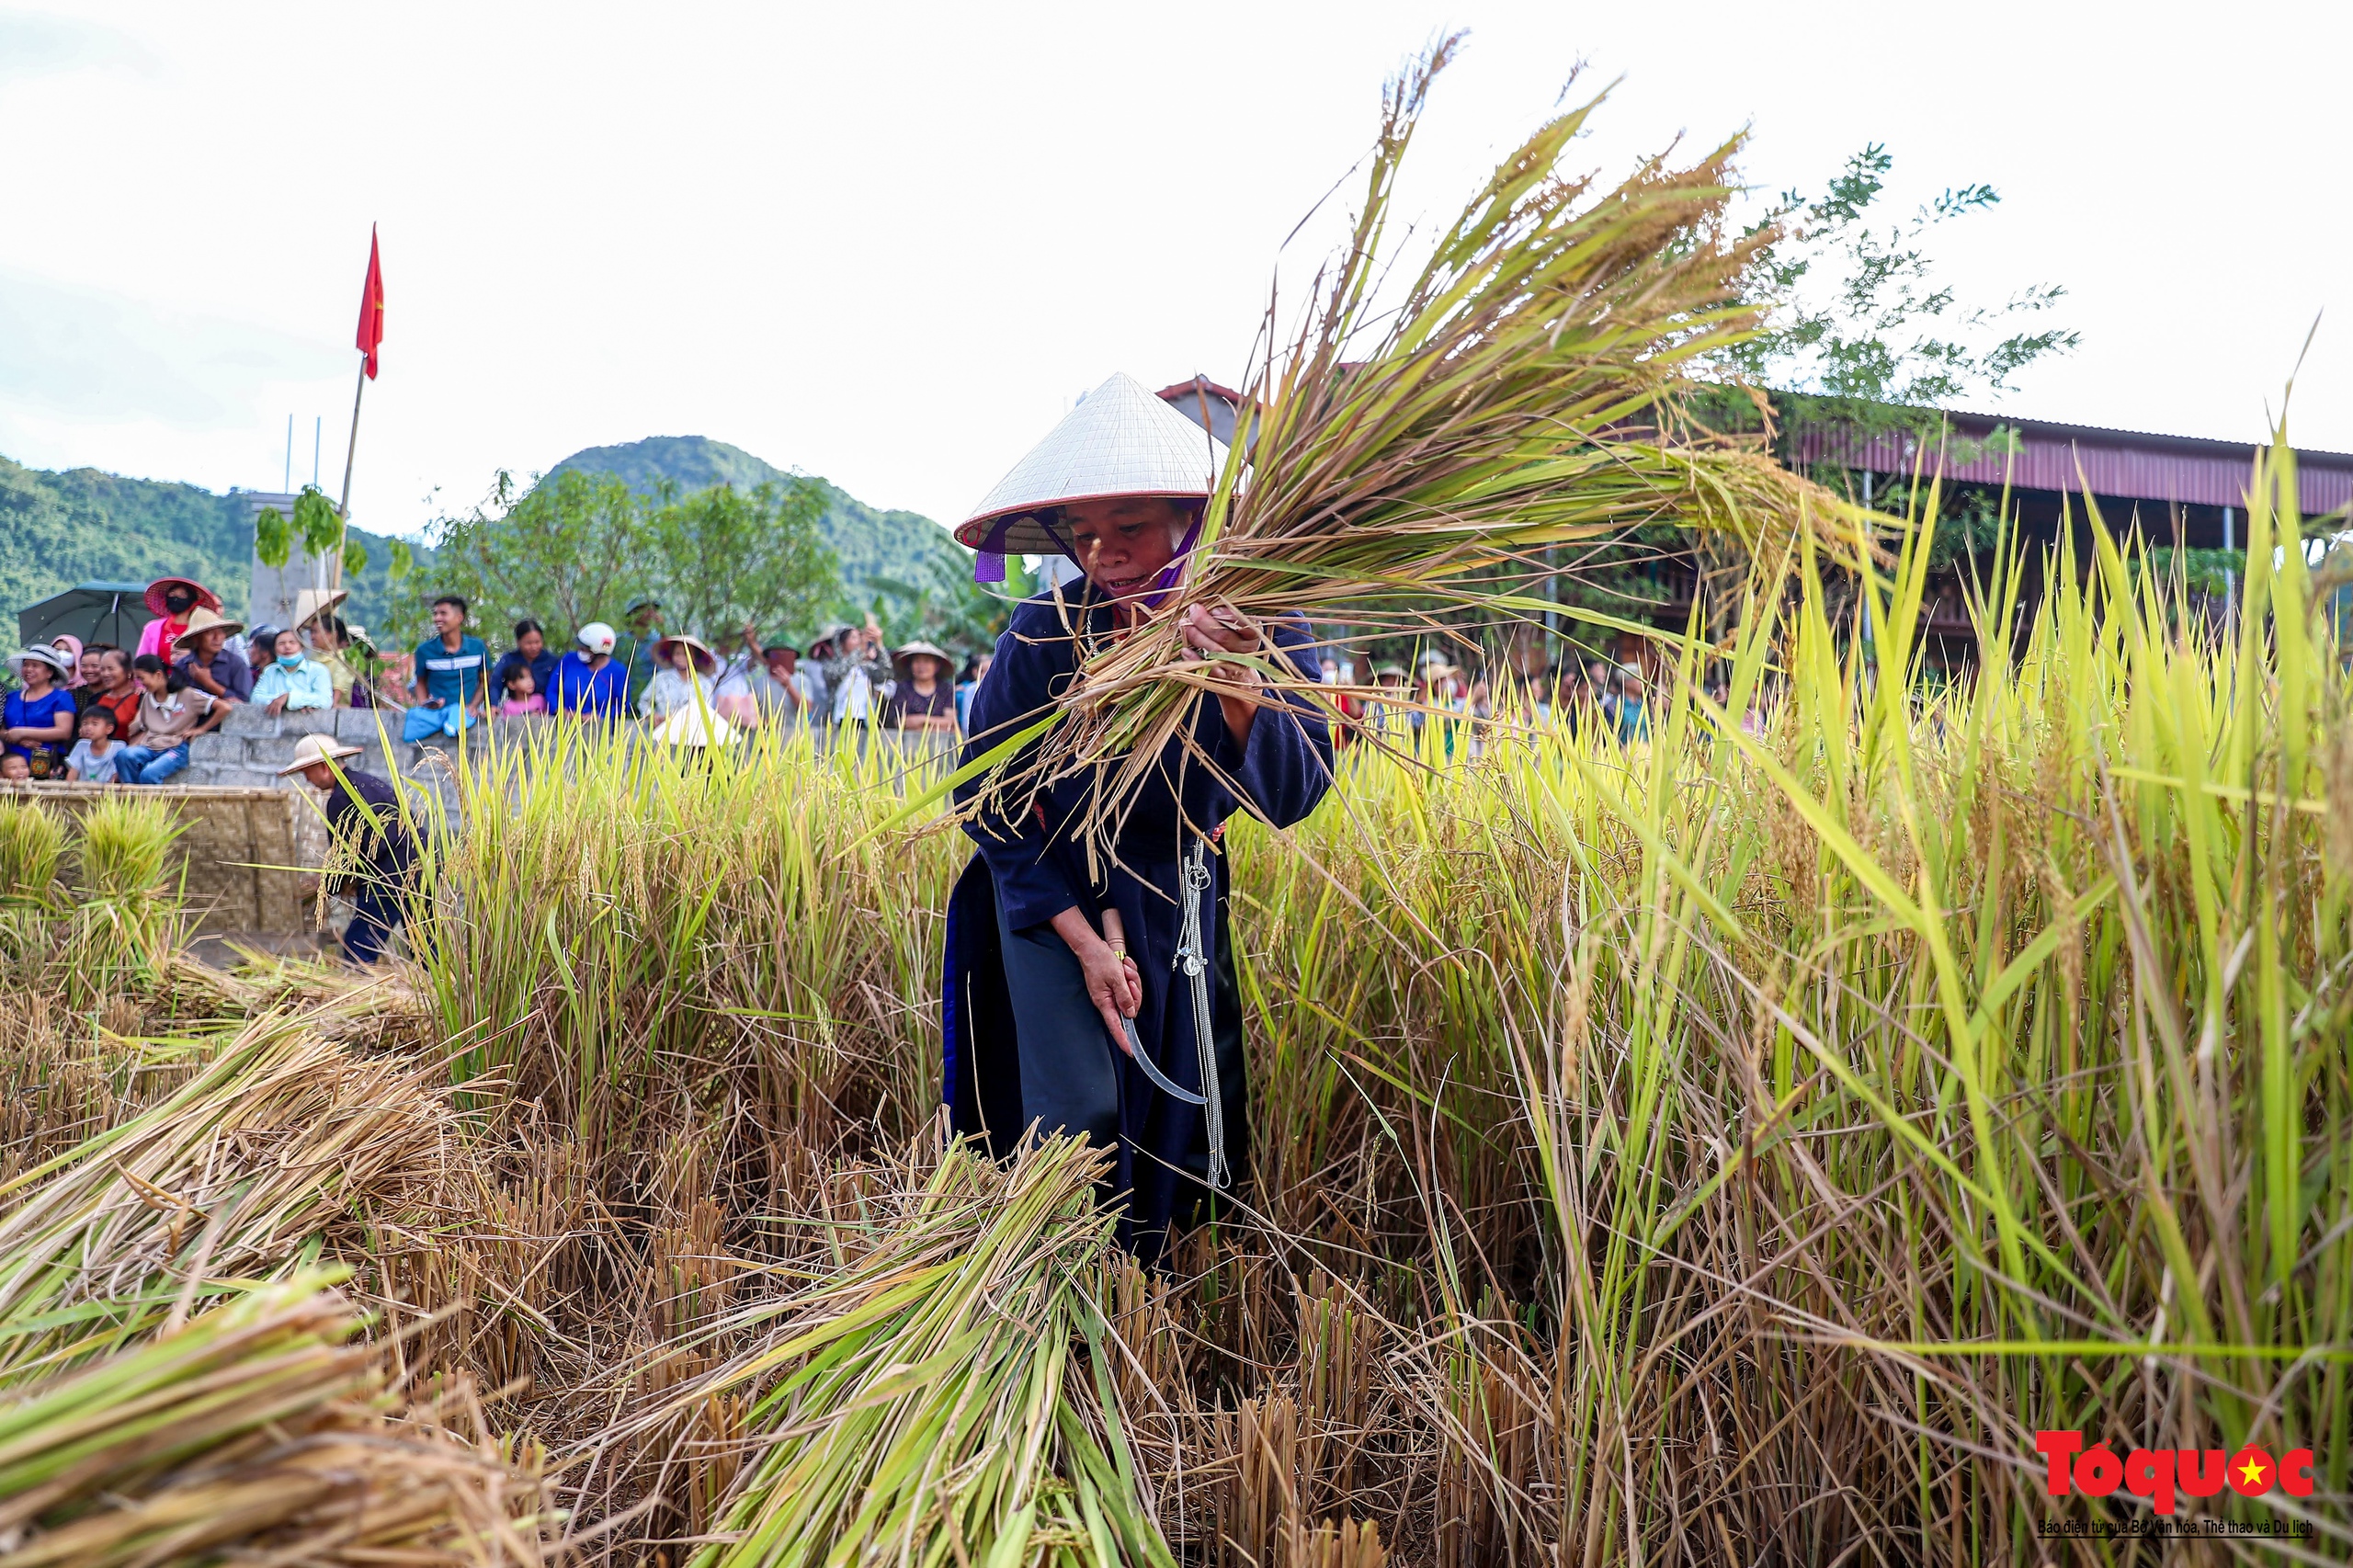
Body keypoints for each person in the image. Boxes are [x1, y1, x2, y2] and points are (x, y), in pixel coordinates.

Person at [942, 378, 1334, 1263]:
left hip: (1173, 893)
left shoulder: (1255, 622)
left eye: (1129, 527)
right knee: (1080, 1111)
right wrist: (1085, 941)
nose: (1104, 553)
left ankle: (1152, 1298)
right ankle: (1045, 1285)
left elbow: (1296, 791)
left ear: (1189, 521)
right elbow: (985, 796)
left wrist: (1240, 689)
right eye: (1085, 534)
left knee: (1180, 1118)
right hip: (1046, 896)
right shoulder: (1048, 628)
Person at [278, 733, 416, 966]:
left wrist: (326, 885)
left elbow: (351, 853)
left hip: (390, 874)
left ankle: (361, 992)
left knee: (359, 946)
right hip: (421, 864)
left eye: (307, 773)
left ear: (322, 767)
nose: (307, 780)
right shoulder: (370, 783)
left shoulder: (342, 798)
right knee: (425, 939)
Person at [116, 653, 225, 784]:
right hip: (151, 746)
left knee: (149, 774)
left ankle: (153, 803)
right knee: (123, 756)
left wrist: (201, 729)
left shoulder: (188, 694)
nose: (141, 683)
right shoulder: (147, 698)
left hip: (176, 748)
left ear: (158, 675)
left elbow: (224, 707)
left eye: (142, 678)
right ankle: (133, 797)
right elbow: (144, 729)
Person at [404, 596, 489, 743]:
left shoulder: (477, 647)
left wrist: (473, 706)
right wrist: (427, 704)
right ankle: (449, 723)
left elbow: (485, 682)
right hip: (436, 712)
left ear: (459, 618)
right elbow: (420, 682)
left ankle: (453, 722)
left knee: (459, 713)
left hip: (465, 711)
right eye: (435, 614)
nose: (437, 618)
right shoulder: (425, 650)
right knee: (413, 718)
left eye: (443, 613)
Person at [4, 646, 79, 779]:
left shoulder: (61, 697)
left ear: (49, 672)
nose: (29, 669)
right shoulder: (11, 697)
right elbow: (2, 728)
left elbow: (64, 732)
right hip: (11, 764)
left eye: (35, 666)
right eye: (26, 665)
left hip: (46, 762)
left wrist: (22, 732)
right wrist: (17, 738)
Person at [549, 622, 631, 721]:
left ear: (598, 651)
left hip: (598, 729)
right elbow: (551, 690)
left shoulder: (618, 672)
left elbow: (622, 706)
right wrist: (561, 711)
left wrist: (598, 716)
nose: (579, 651)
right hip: (563, 722)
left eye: (584, 649)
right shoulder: (569, 660)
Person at [133, 576, 222, 665]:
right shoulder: (152, 628)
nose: (176, 598)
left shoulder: (201, 629)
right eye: (172, 594)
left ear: (193, 601)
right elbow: (141, 661)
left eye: (182, 595)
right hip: (159, 677)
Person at [173, 608, 254, 703]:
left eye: (220, 632)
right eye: (210, 633)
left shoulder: (236, 664)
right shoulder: (182, 666)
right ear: (196, 638)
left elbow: (243, 703)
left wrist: (209, 683)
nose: (217, 638)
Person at [822, 615, 892, 725]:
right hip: (838, 720)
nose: (859, 641)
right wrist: (861, 649)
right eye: (854, 638)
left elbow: (885, 674)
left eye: (859, 638)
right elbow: (838, 674)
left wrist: (879, 644)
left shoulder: (865, 668)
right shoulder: (830, 666)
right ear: (841, 643)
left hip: (864, 721)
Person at [252, 628, 334, 715]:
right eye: (281, 643)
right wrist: (282, 701)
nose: (287, 646)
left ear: (302, 647)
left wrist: (289, 698)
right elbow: (255, 698)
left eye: (292, 642)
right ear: (275, 650)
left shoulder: (318, 670)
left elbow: (325, 701)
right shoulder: (270, 671)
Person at [638, 633, 720, 720]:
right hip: (663, 728)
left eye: (686, 654)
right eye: (677, 653)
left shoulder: (704, 684)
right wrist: (653, 716)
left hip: (691, 729)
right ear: (672, 655)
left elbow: (707, 710)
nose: (681, 658)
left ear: (694, 657)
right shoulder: (661, 678)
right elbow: (643, 701)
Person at [888, 642, 959, 734]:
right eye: (917, 661)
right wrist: (935, 724)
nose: (921, 666)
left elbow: (950, 722)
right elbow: (899, 722)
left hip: (941, 741)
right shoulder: (903, 688)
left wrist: (922, 720)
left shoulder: (946, 689)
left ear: (936, 666)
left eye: (927, 661)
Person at [489, 619, 557, 711]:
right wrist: (493, 705)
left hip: (545, 712)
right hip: (516, 711)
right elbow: (496, 684)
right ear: (518, 642)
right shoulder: (509, 659)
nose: (534, 647)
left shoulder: (552, 661)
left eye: (537, 642)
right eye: (528, 643)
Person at [615, 599, 664, 704]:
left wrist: (662, 629)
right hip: (623, 696)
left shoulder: (658, 640)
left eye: (652, 610)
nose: (650, 614)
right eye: (645, 610)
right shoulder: (619, 641)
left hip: (651, 699)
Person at [85, 648, 142, 738]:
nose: (105, 674)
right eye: (102, 669)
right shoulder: (95, 699)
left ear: (128, 672)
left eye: (110, 669)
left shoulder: (141, 698)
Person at [65, 704, 124, 781]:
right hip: (82, 790)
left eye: (94, 724)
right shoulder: (81, 745)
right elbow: (73, 772)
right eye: (85, 723)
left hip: (107, 791)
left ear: (109, 729)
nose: (88, 728)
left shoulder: (119, 747)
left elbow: (116, 774)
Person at [952, 653, 992, 733]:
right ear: (975, 672)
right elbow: (966, 721)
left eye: (992, 670)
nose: (989, 675)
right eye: (983, 671)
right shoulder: (970, 689)